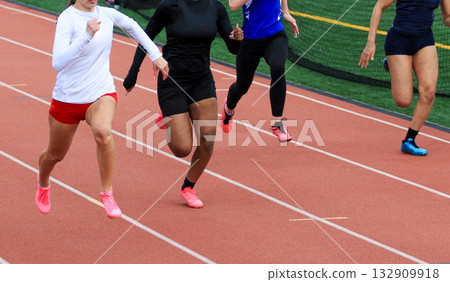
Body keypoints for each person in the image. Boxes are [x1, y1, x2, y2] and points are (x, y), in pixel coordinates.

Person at [35, 0, 169, 218]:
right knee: (55, 155)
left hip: (100, 92)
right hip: (68, 98)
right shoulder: (67, 19)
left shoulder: (107, 14)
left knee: (103, 131)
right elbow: (58, 63)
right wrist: (86, 36)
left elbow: (133, 26)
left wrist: (156, 55)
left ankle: (107, 192)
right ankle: (43, 182)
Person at [123, 0, 244, 208]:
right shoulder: (170, 5)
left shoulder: (215, 7)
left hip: (201, 80)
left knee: (207, 140)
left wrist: (238, 39)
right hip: (172, 79)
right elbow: (146, 37)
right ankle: (171, 115)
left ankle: (188, 187)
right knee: (182, 148)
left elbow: (232, 48)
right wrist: (133, 72)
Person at [359, 0, 450, 156]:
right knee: (403, 101)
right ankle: (393, 64)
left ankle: (409, 140)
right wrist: (370, 43)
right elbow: (379, 6)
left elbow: (447, 17)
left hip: (424, 41)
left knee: (428, 92)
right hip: (399, 42)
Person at [220, 0, 299, 142]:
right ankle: (228, 110)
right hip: (250, 39)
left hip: (275, 36)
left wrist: (285, 11)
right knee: (242, 87)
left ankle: (277, 124)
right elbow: (232, 4)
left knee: (278, 67)